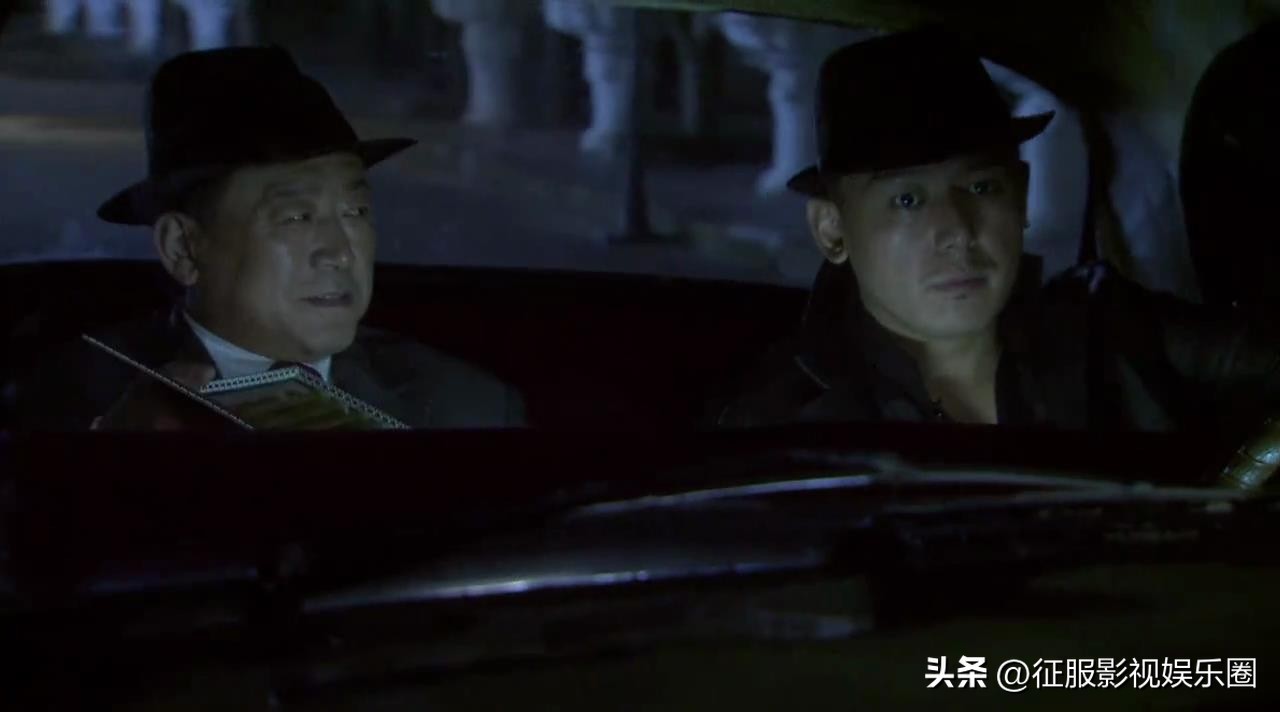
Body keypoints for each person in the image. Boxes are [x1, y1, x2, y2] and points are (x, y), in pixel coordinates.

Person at [717, 29, 1280, 432]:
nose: (957, 231)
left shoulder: (1112, 330)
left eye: (982, 187)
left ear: (1022, 194)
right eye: (908, 199)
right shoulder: (785, 422)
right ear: (832, 230)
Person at [15, 46, 525, 430]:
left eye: (355, 211)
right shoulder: (71, 400)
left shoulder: (465, 408)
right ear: (183, 248)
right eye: (296, 217)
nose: (340, 251)